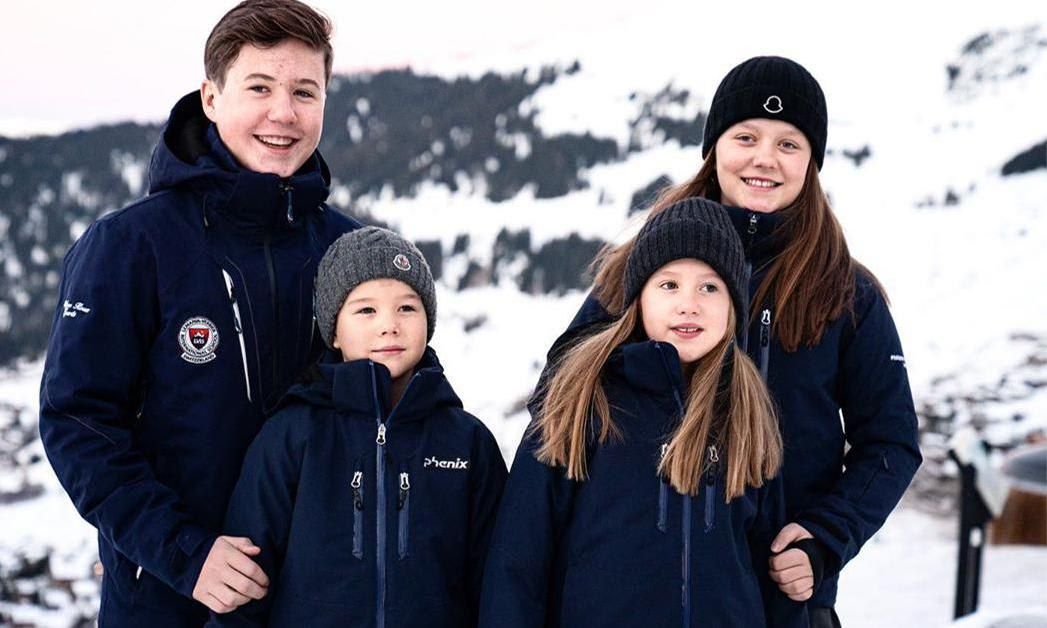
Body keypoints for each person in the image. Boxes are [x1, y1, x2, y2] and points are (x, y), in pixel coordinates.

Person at [532, 56, 922, 627]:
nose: (765, 158)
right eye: (746, 136)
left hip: (778, 594)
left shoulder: (846, 292)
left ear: (813, 161)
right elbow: (559, 399)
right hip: (643, 593)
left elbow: (890, 442)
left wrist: (823, 538)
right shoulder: (645, 268)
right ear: (714, 147)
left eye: (790, 144)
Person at [37, 1, 362, 625]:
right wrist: (185, 553)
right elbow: (79, 421)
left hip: (316, 599)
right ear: (211, 98)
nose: (283, 114)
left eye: (305, 91)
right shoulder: (132, 245)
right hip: (168, 601)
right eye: (259, 87)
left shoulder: (347, 253)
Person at [480, 198, 810, 627]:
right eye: (669, 285)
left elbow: (770, 574)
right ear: (639, 299)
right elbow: (518, 558)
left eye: (710, 287)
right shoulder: (583, 401)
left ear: (733, 308)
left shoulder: (747, 414)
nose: (689, 304)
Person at [208, 227, 508, 627]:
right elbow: (244, 580)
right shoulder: (293, 435)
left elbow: (498, 583)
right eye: (366, 310)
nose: (389, 325)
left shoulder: (467, 443)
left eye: (407, 308)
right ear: (333, 330)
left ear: (428, 322)